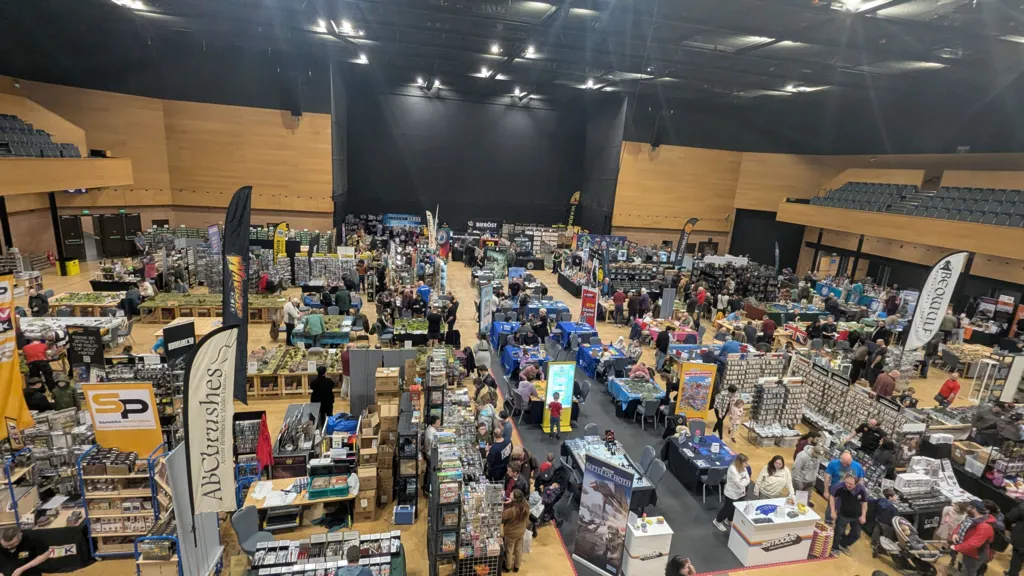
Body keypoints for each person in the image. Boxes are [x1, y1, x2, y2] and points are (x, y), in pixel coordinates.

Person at [952, 501, 996, 576]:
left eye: (968, 507)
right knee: (962, 568)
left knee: (968, 573)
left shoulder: (984, 526)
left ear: (974, 509)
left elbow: (974, 543)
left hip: (974, 555)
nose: (966, 509)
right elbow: (961, 525)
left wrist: (957, 547)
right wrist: (955, 533)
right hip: (966, 550)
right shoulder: (970, 517)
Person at [829, 473, 869, 556]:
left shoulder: (861, 489)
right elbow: (832, 497)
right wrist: (833, 511)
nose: (848, 485)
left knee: (856, 534)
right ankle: (835, 548)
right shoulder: (839, 487)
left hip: (856, 516)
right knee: (838, 532)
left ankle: (843, 544)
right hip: (842, 515)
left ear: (856, 483)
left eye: (851, 484)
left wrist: (863, 515)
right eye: (846, 482)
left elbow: (864, 503)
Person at [823, 451, 865, 521]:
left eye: (847, 464)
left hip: (850, 494)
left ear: (851, 460)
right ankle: (828, 522)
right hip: (836, 492)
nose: (845, 465)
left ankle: (839, 526)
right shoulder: (833, 463)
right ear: (840, 459)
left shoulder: (857, 466)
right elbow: (827, 477)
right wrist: (826, 491)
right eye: (843, 463)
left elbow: (861, 480)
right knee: (831, 509)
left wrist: (860, 492)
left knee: (844, 513)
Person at [713, 453, 750, 531]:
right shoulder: (733, 469)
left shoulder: (743, 467)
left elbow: (748, 479)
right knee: (727, 508)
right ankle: (717, 521)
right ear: (740, 462)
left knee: (735, 508)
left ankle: (729, 520)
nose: (747, 464)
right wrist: (744, 482)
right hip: (731, 493)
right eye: (745, 463)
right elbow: (739, 484)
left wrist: (743, 482)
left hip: (741, 493)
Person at [502, 489, 530, 572]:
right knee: (518, 549)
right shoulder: (526, 505)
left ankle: (507, 567)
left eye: (512, 494)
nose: (510, 494)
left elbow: (503, 517)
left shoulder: (511, 511)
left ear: (515, 499)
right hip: (521, 531)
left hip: (511, 533)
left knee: (509, 550)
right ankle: (517, 566)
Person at [870, 487, 900, 557]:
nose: (896, 497)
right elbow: (895, 519)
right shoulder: (893, 508)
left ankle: (873, 543)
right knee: (885, 538)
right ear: (890, 497)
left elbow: (872, 502)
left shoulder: (881, 500)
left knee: (876, 532)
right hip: (887, 525)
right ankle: (880, 549)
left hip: (878, 520)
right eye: (895, 496)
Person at [1004, 500, 1024, 576]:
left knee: (1017, 559)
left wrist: (1008, 529)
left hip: (1021, 541)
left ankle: (1012, 574)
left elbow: (1010, 517)